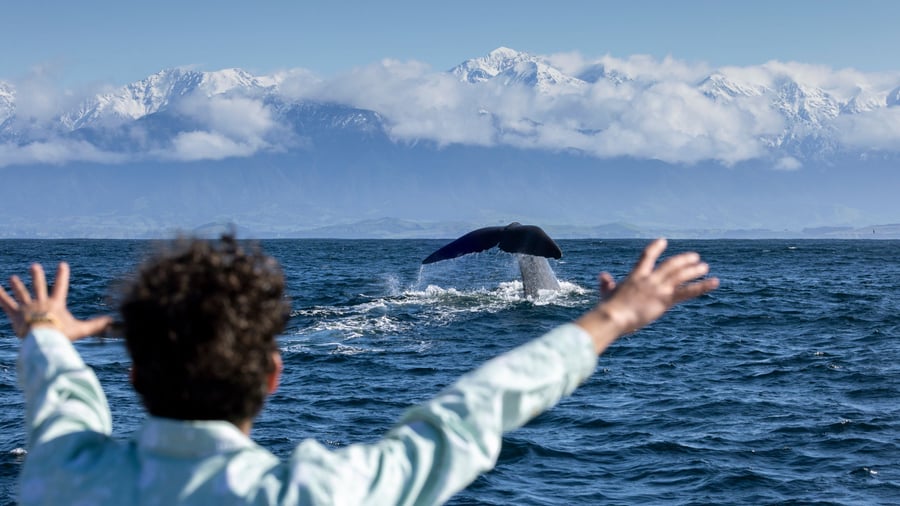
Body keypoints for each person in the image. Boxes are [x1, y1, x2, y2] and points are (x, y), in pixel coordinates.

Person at [1, 235, 718, 505]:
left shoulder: (65, 476)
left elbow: (64, 409)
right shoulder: (313, 492)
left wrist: (46, 335)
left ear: (132, 376)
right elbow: (474, 410)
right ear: (272, 374)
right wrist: (612, 319)